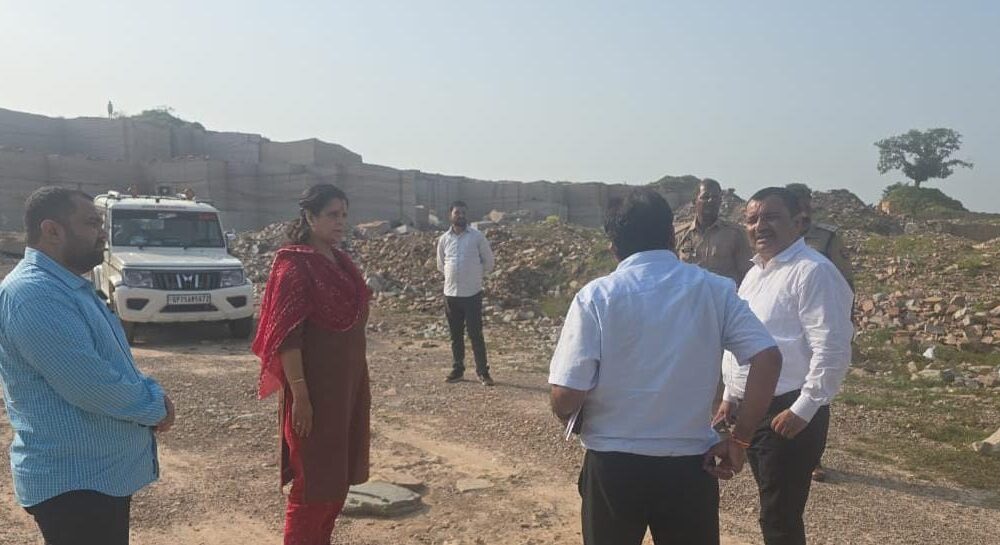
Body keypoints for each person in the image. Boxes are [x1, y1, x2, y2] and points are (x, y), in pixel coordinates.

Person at [549, 188, 783, 545]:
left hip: (613, 468)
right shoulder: (715, 290)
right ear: (672, 236)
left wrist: (563, 410)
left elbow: (567, 394)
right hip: (689, 468)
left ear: (614, 247)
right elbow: (768, 358)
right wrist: (740, 439)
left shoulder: (596, 297)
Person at [0, 186, 175, 545]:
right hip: (75, 484)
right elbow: (90, 385)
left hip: (93, 479)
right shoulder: (35, 294)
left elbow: (108, 363)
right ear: (52, 231)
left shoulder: (65, 287)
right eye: (92, 223)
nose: (103, 233)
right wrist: (155, 406)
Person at [716, 187, 854, 545]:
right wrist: (730, 394)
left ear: (798, 222)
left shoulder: (813, 272)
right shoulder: (756, 274)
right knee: (772, 506)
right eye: (752, 219)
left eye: (771, 217)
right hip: (752, 409)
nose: (759, 226)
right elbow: (744, 340)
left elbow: (832, 348)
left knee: (779, 517)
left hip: (786, 411)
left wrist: (804, 409)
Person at [252, 184, 372, 545]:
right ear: (309, 216)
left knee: (336, 482)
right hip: (314, 394)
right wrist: (301, 397)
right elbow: (288, 339)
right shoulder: (295, 267)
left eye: (344, 215)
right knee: (313, 484)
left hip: (346, 391)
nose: (341, 222)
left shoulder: (341, 264)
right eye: (333, 214)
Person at [785, 183, 855, 483]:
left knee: (816, 388)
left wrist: (845, 325)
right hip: (787, 327)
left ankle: (813, 458)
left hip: (817, 324)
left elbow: (845, 283)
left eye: (807, 202)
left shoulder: (826, 238)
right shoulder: (775, 235)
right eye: (798, 203)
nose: (804, 209)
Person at [437, 200, 496, 386]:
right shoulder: (444, 239)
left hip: (471, 294)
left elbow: (489, 263)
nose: (460, 215)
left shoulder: (477, 237)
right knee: (455, 336)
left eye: (463, 212)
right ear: (450, 215)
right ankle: (458, 370)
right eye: (457, 212)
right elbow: (441, 265)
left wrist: (474, 276)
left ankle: (483, 372)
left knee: (475, 334)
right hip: (451, 295)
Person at [675, 178, 754, 286]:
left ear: (720, 201)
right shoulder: (679, 235)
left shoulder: (736, 234)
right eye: (705, 197)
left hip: (724, 296)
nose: (710, 201)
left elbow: (747, 275)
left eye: (715, 197)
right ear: (694, 202)